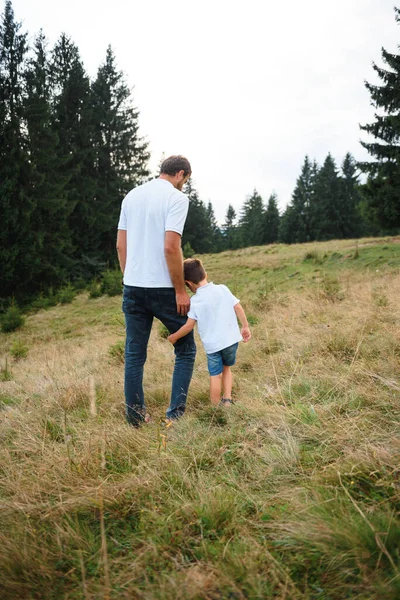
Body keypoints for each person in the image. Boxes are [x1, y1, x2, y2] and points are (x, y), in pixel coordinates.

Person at [116, 155, 196, 426]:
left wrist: (128, 277)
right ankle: (175, 415)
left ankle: (136, 419)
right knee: (185, 348)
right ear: (181, 174)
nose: (184, 185)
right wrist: (180, 291)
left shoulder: (131, 196)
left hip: (133, 287)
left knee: (134, 355)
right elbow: (171, 247)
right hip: (163, 289)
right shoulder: (176, 199)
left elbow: (120, 246)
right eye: (185, 180)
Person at [167, 258, 251, 406]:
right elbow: (237, 307)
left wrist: (174, 337)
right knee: (227, 368)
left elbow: (188, 326)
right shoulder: (223, 289)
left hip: (213, 346)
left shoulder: (195, 301)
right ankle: (227, 400)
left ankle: (214, 407)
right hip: (231, 340)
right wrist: (245, 326)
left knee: (215, 375)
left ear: (188, 283)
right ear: (205, 273)